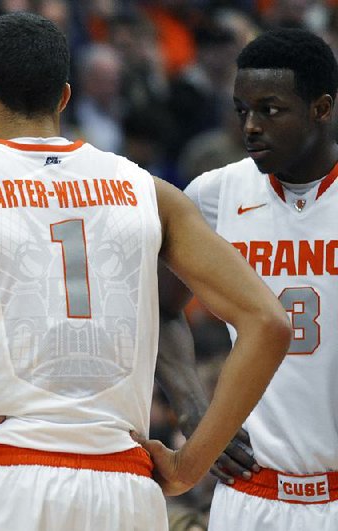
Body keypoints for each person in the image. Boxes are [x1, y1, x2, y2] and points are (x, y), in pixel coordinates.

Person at [0, 13, 291, 530]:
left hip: (2, 479)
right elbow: (269, 323)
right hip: (124, 484)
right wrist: (188, 466)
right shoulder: (151, 192)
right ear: (65, 97)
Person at [159, 28, 338, 530]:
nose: (251, 126)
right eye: (242, 110)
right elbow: (159, 304)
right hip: (251, 493)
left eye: (270, 109)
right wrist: (193, 408)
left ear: (321, 108)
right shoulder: (214, 194)